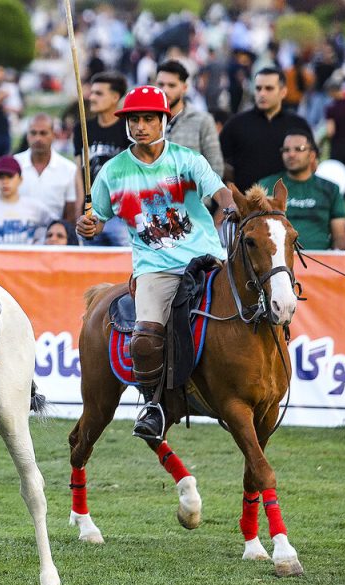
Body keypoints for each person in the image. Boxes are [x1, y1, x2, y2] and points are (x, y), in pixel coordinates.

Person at [75, 85, 237, 443]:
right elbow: (95, 220)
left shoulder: (187, 159)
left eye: (149, 118)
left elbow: (218, 190)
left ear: (165, 120)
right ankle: (154, 405)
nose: (141, 126)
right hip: (155, 267)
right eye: (134, 119)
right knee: (146, 338)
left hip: (207, 258)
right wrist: (86, 224)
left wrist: (230, 206)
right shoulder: (113, 172)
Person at [220, 67, 313, 192]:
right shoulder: (236, 124)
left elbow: (312, 160)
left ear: (283, 92)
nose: (262, 93)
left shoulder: (298, 124)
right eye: (258, 88)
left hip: (288, 203)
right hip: (247, 204)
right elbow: (219, 159)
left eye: (269, 88)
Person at [258, 131, 345, 251]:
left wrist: (334, 260)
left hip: (320, 262)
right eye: (286, 150)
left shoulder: (331, 189)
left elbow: (340, 237)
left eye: (298, 149)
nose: (291, 154)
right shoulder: (266, 186)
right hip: (277, 264)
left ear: (312, 155)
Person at [73, 71, 130, 246]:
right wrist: (79, 208)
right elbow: (78, 170)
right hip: (91, 214)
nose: (92, 97)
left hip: (120, 215)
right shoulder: (82, 128)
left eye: (99, 93)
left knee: (123, 266)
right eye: (92, 92)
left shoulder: (128, 128)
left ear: (115, 97)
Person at [155, 60, 224, 178]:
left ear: (184, 87)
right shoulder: (145, 120)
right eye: (161, 84)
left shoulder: (202, 120)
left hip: (191, 194)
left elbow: (216, 168)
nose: (165, 90)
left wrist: (199, 196)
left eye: (171, 85)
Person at [4, 113, 77, 222]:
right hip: (16, 235)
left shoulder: (69, 169)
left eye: (43, 133)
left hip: (52, 236)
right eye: (33, 133)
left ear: (53, 135)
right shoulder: (11, 165)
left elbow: (70, 215)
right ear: (27, 135)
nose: (38, 138)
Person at [0, 155, 49, 244]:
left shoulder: (36, 207)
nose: (5, 181)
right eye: (0, 177)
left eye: (9, 176)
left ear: (20, 179)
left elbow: (55, 227)